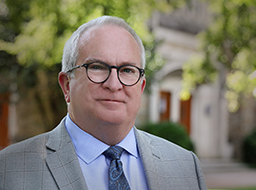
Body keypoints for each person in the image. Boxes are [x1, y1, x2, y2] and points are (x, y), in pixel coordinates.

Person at [0, 16, 207, 190]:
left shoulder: (186, 166)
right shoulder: (9, 169)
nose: (114, 84)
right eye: (97, 67)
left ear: (141, 88)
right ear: (66, 85)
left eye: (127, 70)